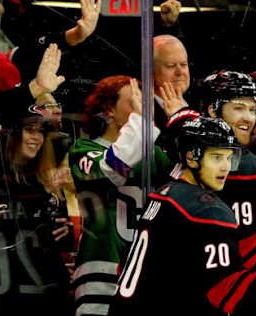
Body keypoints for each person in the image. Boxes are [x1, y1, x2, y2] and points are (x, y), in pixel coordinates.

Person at [108, 115, 256, 316]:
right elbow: (225, 288)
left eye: (229, 157)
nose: (225, 167)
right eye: (216, 157)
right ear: (192, 157)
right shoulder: (204, 208)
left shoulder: (164, 194)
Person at [67, 75, 171, 316]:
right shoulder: (84, 151)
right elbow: (115, 167)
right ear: (109, 109)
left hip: (143, 270)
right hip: (102, 269)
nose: (142, 106)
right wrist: (140, 121)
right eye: (133, 100)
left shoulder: (155, 154)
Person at [0, 85, 74, 316]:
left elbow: (62, 241)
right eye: (29, 129)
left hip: (46, 297)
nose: (36, 138)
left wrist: (66, 230)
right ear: (12, 132)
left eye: (41, 131)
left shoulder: (46, 184)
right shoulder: (0, 179)